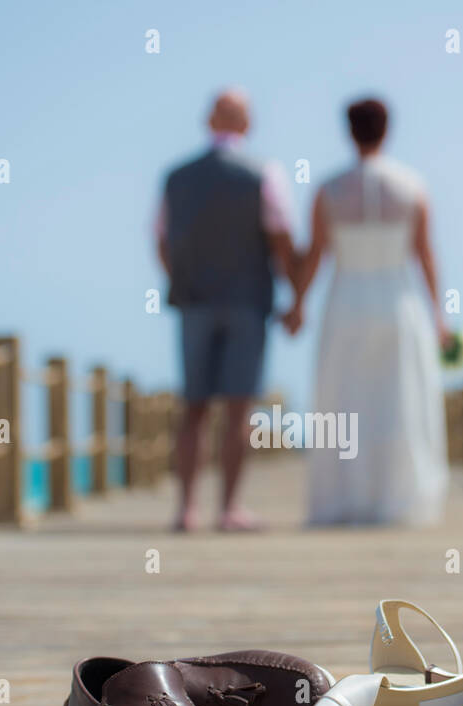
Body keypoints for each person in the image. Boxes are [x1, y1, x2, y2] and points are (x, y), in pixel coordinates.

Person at [284, 97, 450, 526]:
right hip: (398, 299)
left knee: (343, 404)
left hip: (346, 301)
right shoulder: (411, 185)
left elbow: (316, 255)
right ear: (387, 129)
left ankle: (346, 498)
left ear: (348, 131)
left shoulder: (329, 188)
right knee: (400, 401)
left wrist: (298, 304)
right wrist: (439, 315)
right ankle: (399, 500)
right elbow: (425, 255)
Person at [157, 88, 296, 531]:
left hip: (194, 301)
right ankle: (229, 509)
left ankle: (186, 509)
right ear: (247, 125)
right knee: (239, 409)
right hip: (247, 301)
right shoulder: (264, 174)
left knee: (193, 407)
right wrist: (297, 294)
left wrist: (179, 280)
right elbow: (280, 237)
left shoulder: (175, 177)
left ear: (207, 121)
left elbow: (161, 239)